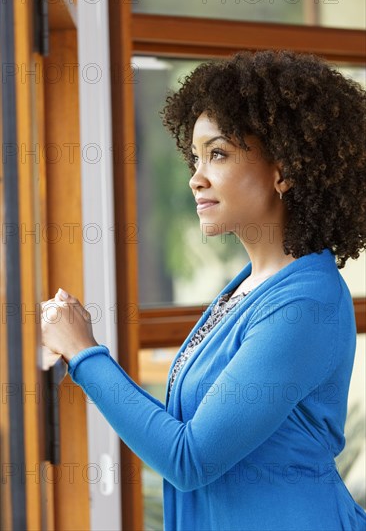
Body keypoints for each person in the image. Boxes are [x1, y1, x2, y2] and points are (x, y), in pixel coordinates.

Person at [42, 50, 366, 530]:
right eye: (195, 157)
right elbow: (187, 429)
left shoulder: (306, 303)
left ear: (285, 170)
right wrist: (78, 354)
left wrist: (85, 354)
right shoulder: (245, 288)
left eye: (218, 154)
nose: (196, 177)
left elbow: (189, 458)